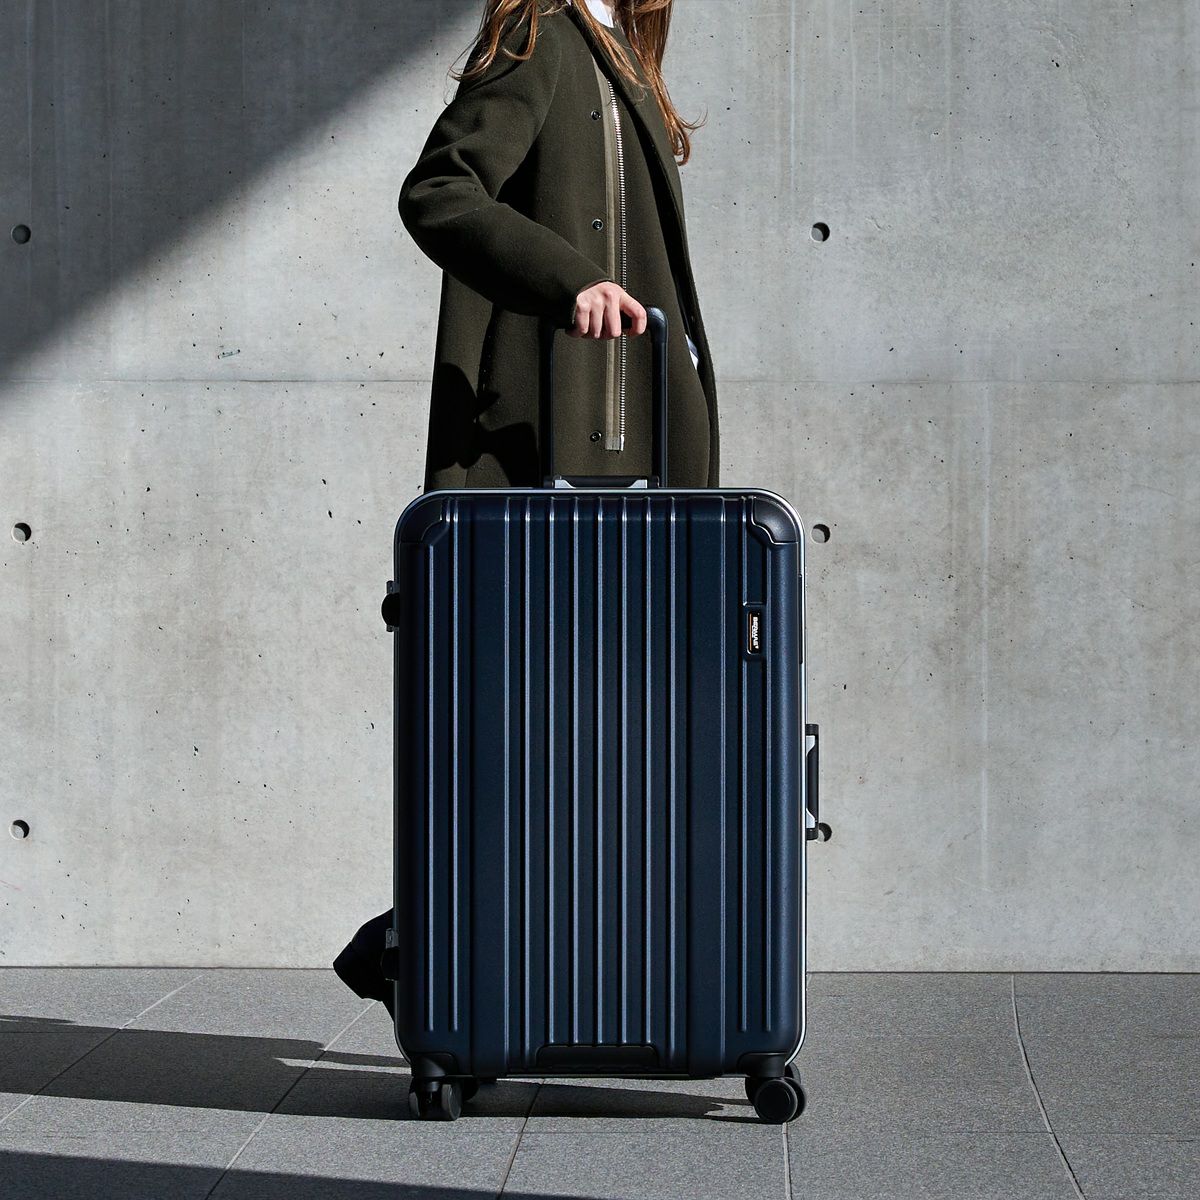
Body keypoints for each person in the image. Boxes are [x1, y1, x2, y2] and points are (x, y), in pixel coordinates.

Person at [333, 0, 719, 1015]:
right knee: (540, 723)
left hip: (636, 444)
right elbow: (440, 191)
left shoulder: (622, 55)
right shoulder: (544, 35)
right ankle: (425, 944)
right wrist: (568, 281)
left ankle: (459, 949)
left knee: (607, 731)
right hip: (564, 447)